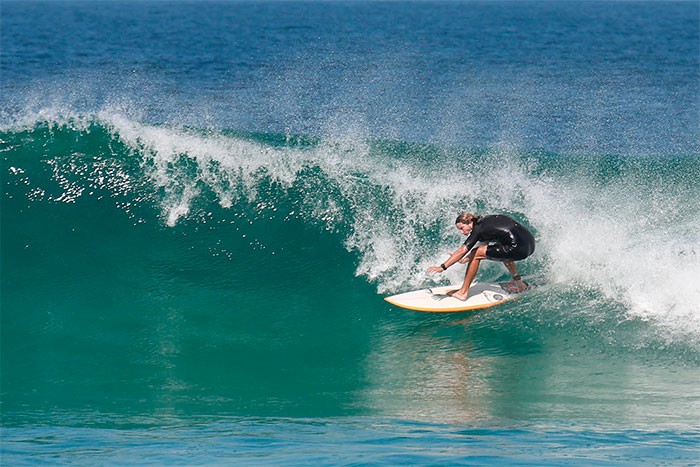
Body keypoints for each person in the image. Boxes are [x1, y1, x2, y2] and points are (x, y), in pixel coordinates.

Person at [427, 212, 535, 301]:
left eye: (462, 228)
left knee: (478, 252)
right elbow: (484, 249)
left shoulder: (477, 229)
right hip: (529, 244)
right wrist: (465, 260)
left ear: (469, 222)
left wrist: (442, 267)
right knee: (499, 247)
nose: (461, 232)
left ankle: (463, 292)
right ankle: (518, 281)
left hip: (517, 248)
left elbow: (463, 250)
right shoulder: (485, 222)